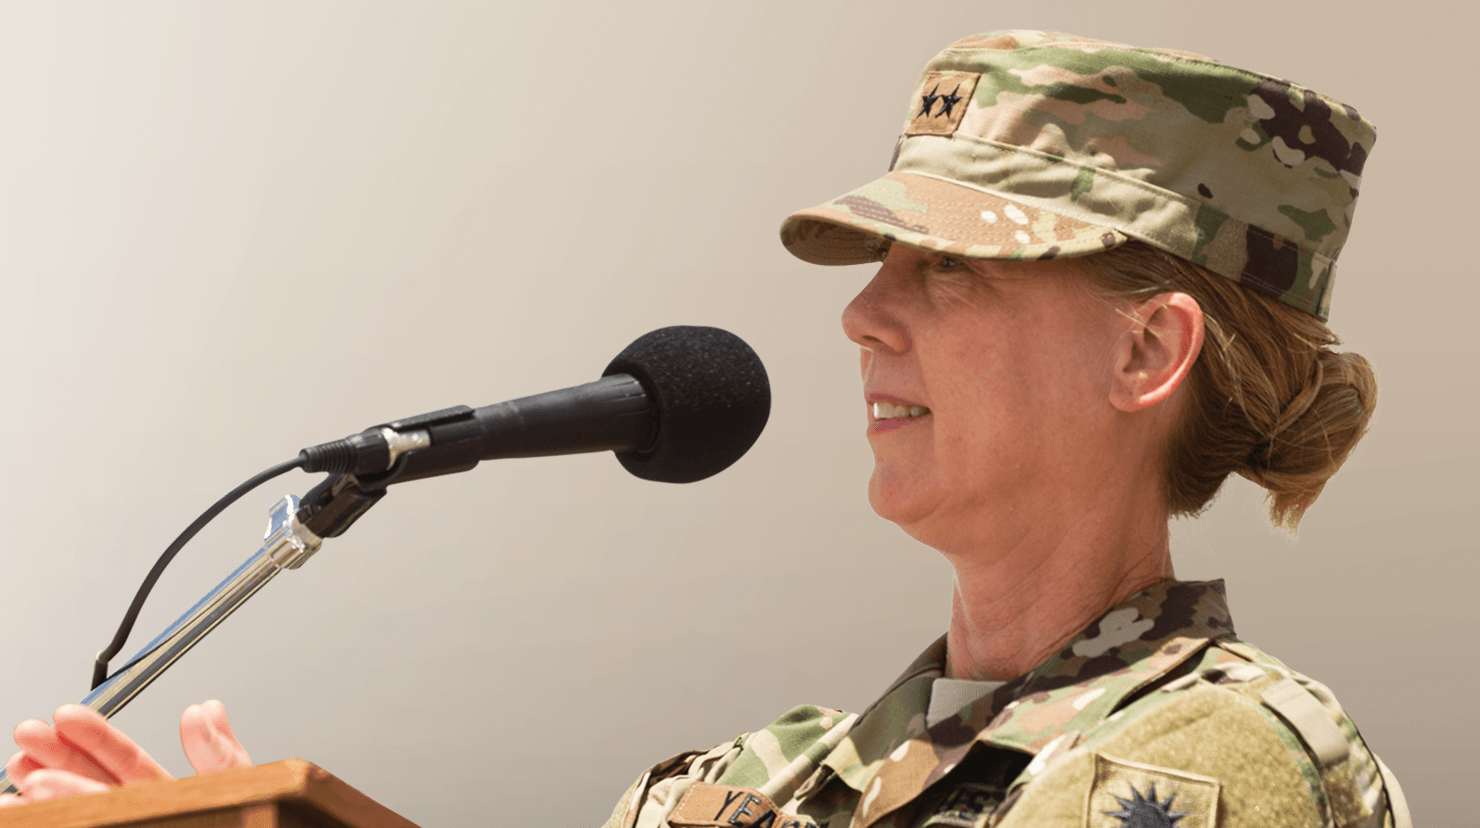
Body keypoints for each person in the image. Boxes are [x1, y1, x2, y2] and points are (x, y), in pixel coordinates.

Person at [3, 29, 1408, 828]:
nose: (864, 318)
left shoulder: (1221, 762)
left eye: (950, 267)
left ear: (1146, 348)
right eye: (877, 267)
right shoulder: (739, 786)